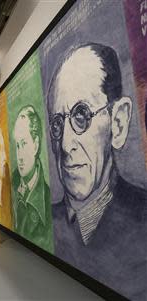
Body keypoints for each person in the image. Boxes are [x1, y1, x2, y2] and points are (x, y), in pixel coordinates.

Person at [47, 43, 147, 300]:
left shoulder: (142, 219)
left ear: (118, 122)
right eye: (58, 124)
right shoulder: (50, 220)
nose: (66, 144)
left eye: (82, 115)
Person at [11, 106, 53, 252]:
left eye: (24, 144)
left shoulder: (47, 200)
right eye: (17, 145)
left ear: (35, 145)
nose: (19, 155)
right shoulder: (13, 186)